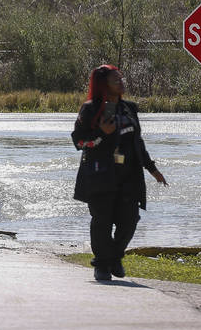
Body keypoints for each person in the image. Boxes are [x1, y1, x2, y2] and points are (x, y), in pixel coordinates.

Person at [71, 65, 167, 281]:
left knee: (130, 219)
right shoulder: (90, 109)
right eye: (116, 80)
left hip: (129, 176)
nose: (121, 82)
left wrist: (152, 168)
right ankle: (102, 265)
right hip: (99, 175)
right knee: (102, 221)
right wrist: (101, 134)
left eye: (121, 78)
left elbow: (137, 142)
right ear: (104, 85)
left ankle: (114, 257)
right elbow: (79, 141)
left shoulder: (129, 108)